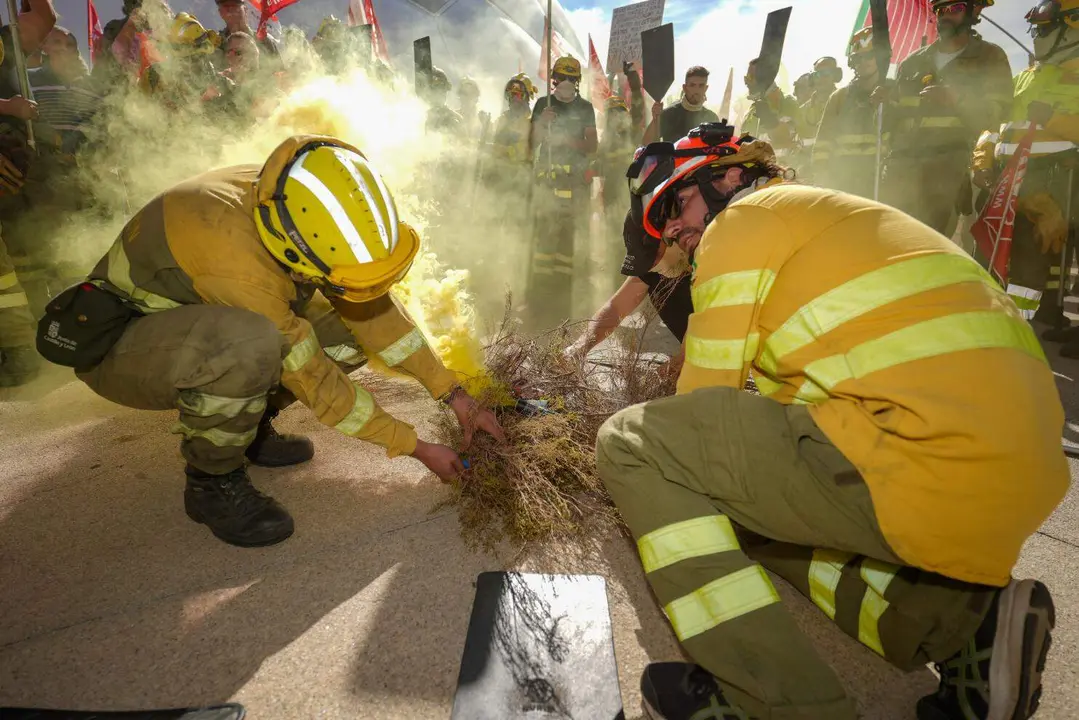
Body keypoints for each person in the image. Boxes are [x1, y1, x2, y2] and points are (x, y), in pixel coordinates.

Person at [595, 122, 1066, 720]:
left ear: (731, 175)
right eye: (664, 227)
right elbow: (779, 420)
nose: (679, 233)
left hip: (921, 445)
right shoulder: (820, 228)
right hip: (1001, 463)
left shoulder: (744, 221)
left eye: (679, 204)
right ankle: (970, 628)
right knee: (754, 516)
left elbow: (698, 409)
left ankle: (781, 704)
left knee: (633, 444)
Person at [39, 135, 506, 547]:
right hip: (124, 347)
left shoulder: (291, 196)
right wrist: (415, 446)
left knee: (338, 332)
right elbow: (315, 378)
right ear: (291, 251)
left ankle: (247, 428)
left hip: (199, 321)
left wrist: (454, 393)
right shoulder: (240, 267)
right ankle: (211, 481)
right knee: (249, 344)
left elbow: (374, 313)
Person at [972, 0, 1079, 337]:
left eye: (1045, 27)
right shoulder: (1023, 78)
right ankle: (989, 320)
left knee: (1035, 264)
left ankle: (1019, 330)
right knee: (991, 254)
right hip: (1008, 183)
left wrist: (1052, 118)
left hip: (1056, 183)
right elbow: (993, 126)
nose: (1036, 35)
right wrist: (983, 158)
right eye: (1034, 28)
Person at [879, 0, 1012, 237]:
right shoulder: (912, 63)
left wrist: (957, 101)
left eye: (956, 8)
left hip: (952, 173)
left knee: (935, 247)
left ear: (975, 10)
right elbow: (894, 121)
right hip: (902, 171)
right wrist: (884, 104)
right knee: (895, 242)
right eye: (941, 10)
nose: (946, 15)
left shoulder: (990, 57)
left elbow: (998, 117)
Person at [526, 55, 597, 327]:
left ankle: (561, 305)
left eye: (572, 78)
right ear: (553, 79)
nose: (566, 83)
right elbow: (531, 143)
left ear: (577, 82)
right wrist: (542, 123)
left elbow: (592, 147)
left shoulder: (586, 108)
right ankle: (538, 301)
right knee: (542, 245)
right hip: (547, 185)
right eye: (562, 77)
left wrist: (566, 138)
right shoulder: (544, 103)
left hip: (573, 186)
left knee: (566, 247)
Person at [813, 28, 888, 197]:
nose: (864, 61)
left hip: (881, 179)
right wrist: (822, 175)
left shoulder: (893, 92)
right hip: (844, 180)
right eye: (858, 57)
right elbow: (823, 143)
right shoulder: (839, 98)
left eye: (870, 56)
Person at [28, 26, 102, 154]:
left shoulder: (94, 86)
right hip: (40, 164)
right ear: (45, 47)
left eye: (70, 44)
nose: (63, 48)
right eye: (57, 42)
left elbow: (100, 124)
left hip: (84, 166)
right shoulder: (28, 79)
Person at [741, 57, 800, 159]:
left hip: (783, 169)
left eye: (750, 77)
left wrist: (769, 119)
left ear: (765, 78)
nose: (746, 82)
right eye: (746, 78)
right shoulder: (751, 111)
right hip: (756, 170)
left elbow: (786, 136)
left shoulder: (787, 102)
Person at [643, 66, 718, 144]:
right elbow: (647, 143)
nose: (696, 90)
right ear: (685, 88)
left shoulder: (712, 118)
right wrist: (655, 119)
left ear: (706, 88)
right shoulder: (670, 114)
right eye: (692, 85)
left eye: (701, 86)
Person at [424, 67, 462, 135]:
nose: (439, 93)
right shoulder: (415, 117)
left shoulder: (455, 119)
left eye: (442, 89)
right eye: (434, 90)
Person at [457, 76, 490, 143]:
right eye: (464, 94)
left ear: (476, 98)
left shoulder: (483, 119)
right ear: (460, 96)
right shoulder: (453, 117)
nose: (468, 98)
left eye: (471, 94)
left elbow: (491, 146)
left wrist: (485, 127)